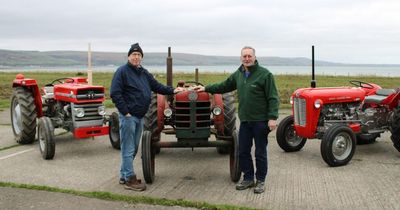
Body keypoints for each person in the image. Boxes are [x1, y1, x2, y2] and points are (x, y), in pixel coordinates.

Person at [195, 46, 279, 194]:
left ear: (254, 57)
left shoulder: (265, 75)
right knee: (243, 151)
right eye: (244, 56)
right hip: (245, 121)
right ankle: (248, 178)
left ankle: (260, 180)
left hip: (260, 121)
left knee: (260, 152)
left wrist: (272, 118)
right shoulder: (239, 74)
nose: (247, 59)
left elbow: (273, 97)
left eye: (249, 56)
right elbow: (224, 85)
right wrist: (206, 88)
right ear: (241, 58)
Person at [110, 43, 184, 191]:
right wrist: (126, 113)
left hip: (140, 117)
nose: (136, 57)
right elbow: (115, 93)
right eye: (134, 55)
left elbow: (157, 87)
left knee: (134, 147)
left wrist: (173, 90)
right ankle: (130, 179)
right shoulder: (122, 72)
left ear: (141, 57)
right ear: (129, 56)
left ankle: (124, 175)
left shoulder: (143, 73)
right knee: (128, 148)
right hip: (129, 117)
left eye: (139, 55)